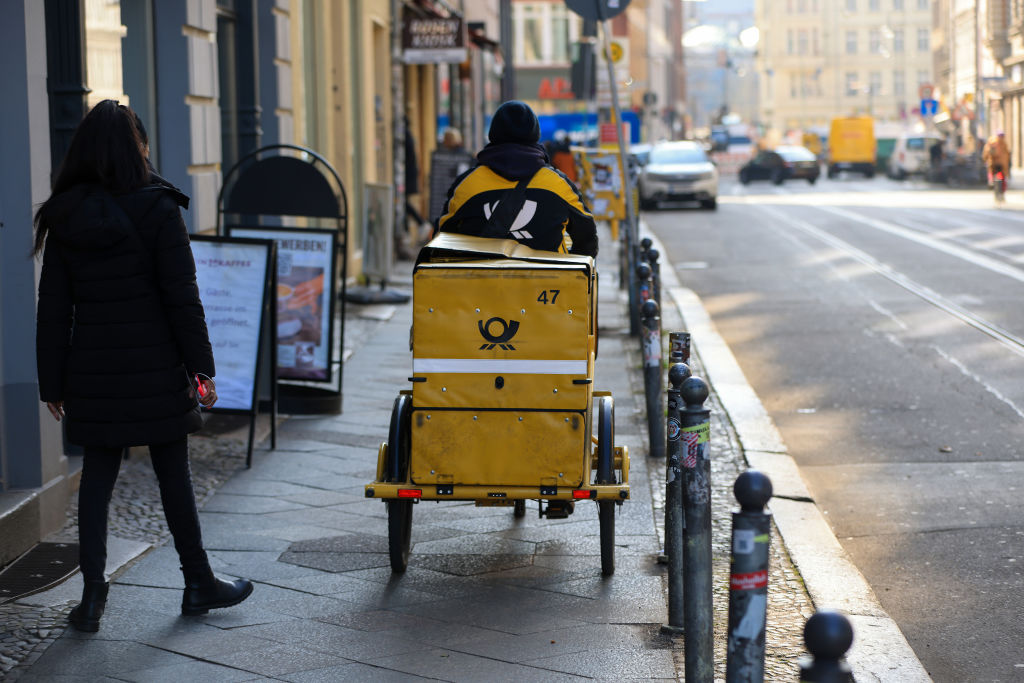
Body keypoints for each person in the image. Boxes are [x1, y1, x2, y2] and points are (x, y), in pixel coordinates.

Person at [34, 100, 253, 632]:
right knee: (172, 473)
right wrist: (202, 369)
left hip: (94, 372)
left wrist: (52, 384)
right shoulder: (158, 208)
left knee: (97, 479)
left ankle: (90, 597)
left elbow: (53, 310)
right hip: (156, 367)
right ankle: (198, 581)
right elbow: (183, 296)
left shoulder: (64, 215)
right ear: (139, 149)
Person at [436, 100, 598, 257]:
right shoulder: (557, 184)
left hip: (480, 282)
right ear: (534, 135)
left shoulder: (468, 184)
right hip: (549, 283)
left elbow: (444, 237)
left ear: (493, 134)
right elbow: (587, 237)